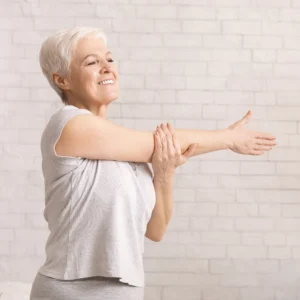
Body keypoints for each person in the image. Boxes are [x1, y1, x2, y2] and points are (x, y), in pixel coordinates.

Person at [29, 26, 277, 300]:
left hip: (126, 292)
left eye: (109, 59)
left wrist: (164, 171)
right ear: (62, 79)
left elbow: (155, 230)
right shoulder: (67, 124)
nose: (106, 68)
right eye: (91, 62)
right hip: (70, 291)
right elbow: (158, 144)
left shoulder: (130, 155)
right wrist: (229, 138)